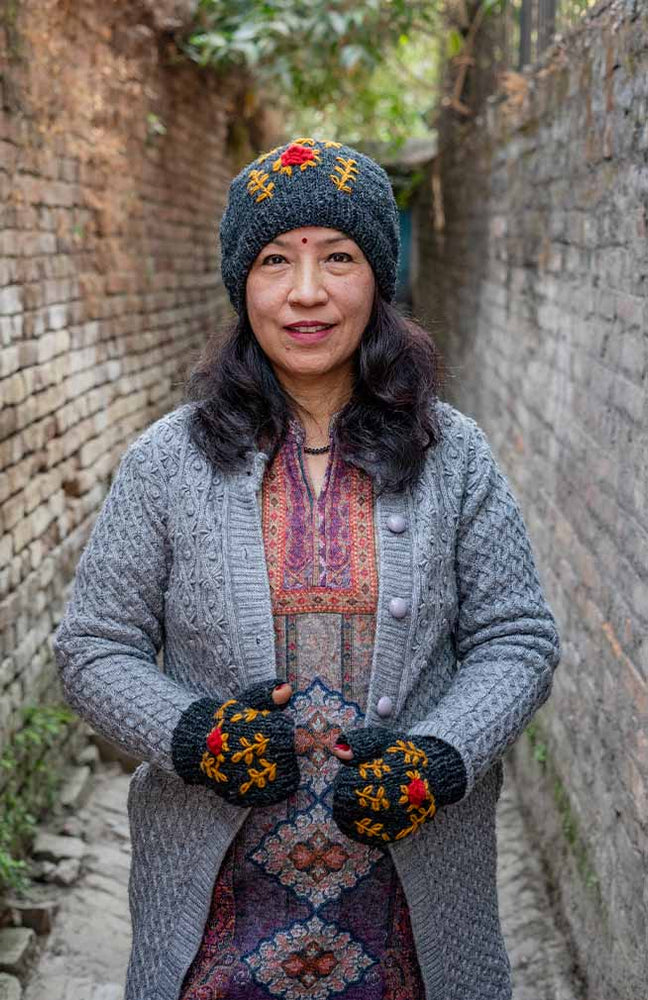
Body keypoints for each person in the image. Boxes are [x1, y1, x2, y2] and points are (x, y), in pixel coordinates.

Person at [53, 137, 561, 1000]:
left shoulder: (455, 454)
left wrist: (440, 755)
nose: (307, 292)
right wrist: (193, 736)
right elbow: (93, 647)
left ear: (380, 278)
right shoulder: (167, 462)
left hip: (410, 912)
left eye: (340, 258)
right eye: (275, 262)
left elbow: (517, 638)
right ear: (240, 285)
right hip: (218, 915)